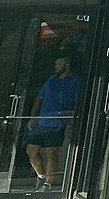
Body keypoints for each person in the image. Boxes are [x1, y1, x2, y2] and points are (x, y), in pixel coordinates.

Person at [23, 57, 80, 192]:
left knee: (52, 152)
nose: (56, 66)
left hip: (59, 122)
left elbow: (78, 102)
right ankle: (41, 176)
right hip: (42, 121)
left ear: (67, 64)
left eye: (59, 63)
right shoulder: (51, 80)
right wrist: (33, 116)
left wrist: (71, 122)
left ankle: (48, 184)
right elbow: (40, 98)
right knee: (31, 150)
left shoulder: (75, 81)